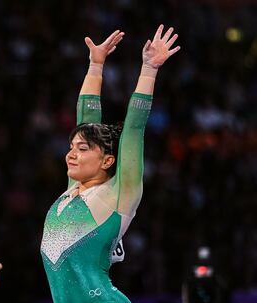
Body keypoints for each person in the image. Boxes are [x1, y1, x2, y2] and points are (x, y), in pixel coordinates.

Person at [40, 24, 180, 303]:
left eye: (82, 149)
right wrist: (95, 64)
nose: (71, 154)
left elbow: (134, 130)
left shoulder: (118, 195)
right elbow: (86, 119)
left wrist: (149, 69)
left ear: (107, 160)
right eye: (70, 148)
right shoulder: (73, 191)